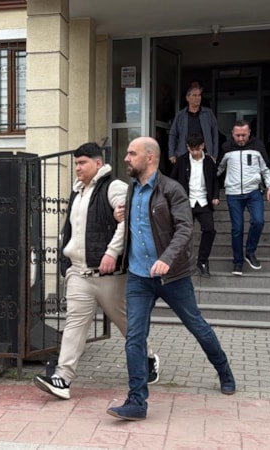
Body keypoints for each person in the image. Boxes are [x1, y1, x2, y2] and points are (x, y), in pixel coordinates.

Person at [106, 136, 235, 421]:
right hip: (139, 277)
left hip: (173, 277)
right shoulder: (131, 189)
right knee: (134, 337)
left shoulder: (172, 189)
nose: (126, 158)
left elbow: (185, 228)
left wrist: (166, 259)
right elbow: (136, 224)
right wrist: (120, 216)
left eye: (132, 153)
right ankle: (136, 401)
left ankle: (224, 370)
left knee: (196, 326)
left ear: (150, 157)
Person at [33, 142, 160, 400]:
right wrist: (67, 264)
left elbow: (129, 220)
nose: (77, 168)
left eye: (83, 163)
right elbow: (72, 230)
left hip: (108, 276)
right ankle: (62, 378)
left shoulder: (114, 187)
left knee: (127, 324)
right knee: (74, 326)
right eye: (76, 163)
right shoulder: (77, 192)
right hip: (79, 273)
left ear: (98, 163)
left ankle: (147, 358)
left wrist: (112, 252)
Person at [217, 120, 270, 276]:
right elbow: (218, 169)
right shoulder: (226, 147)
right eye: (237, 135)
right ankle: (237, 262)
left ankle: (250, 252)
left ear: (249, 132)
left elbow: (266, 168)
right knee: (237, 228)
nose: (241, 138)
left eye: (244, 135)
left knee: (258, 221)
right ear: (232, 134)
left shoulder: (258, 145)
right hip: (233, 193)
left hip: (253, 191)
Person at [169, 133, 220, 277]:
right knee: (182, 232)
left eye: (197, 149)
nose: (195, 152)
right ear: (187, 147)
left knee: (209, 230)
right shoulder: (182, 161)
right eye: (192, 149)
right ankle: (181, 262)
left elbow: (215, 181)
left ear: (202, 146)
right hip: (186, 202)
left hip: (203, 202)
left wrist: (215, 196)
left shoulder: (209, 161)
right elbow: (172, 180)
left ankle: (202, 261)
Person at [168, 84, 219, 165]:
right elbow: (173, 134)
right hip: (184, 155)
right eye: (194, 95)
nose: (197, 98)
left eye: (199, 95)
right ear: (187, 98)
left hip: (205, 155)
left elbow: (215, 135)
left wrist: (214, 154)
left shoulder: (208, 113)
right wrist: (172, 153)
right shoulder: (180, 115)